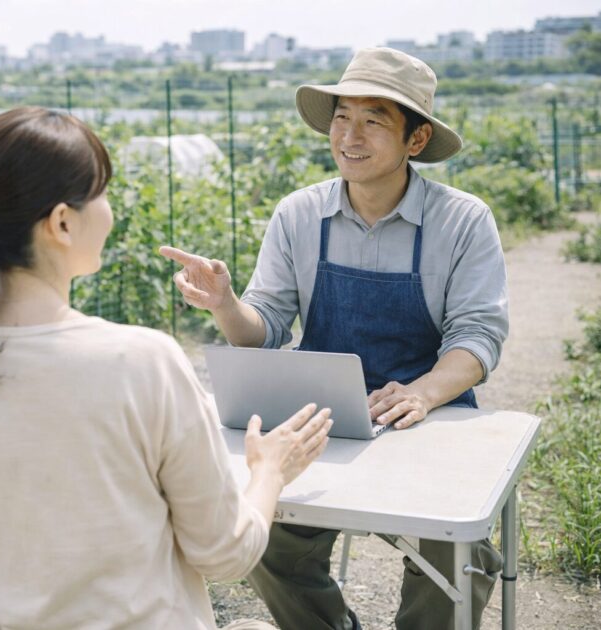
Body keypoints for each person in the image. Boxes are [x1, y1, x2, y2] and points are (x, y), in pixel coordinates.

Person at [0, 106, 333, 630]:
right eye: (102, 194)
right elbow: (225, 554)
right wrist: (270, 471)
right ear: (62, 223)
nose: (109, 212)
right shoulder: (141, 362)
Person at [160, 47, 509, 630]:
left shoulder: (463, 220)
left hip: (428, 418)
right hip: (320, 420)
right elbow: (265, 327)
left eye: (374, 120)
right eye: (342, 117)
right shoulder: (298, 214)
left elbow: (478, 336)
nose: (350, 135)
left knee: (459, 553)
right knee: (265, 534)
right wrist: (225, 304)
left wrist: (421, 393)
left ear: (417, 139)